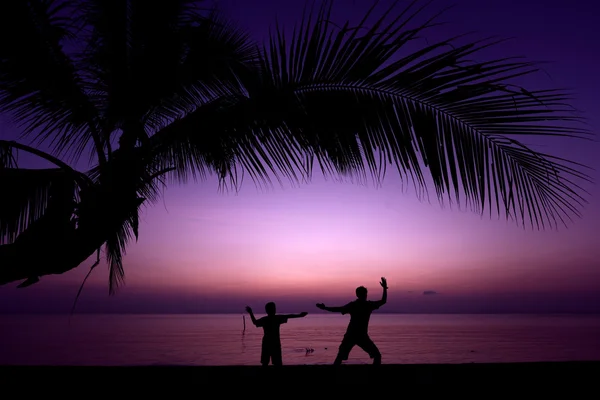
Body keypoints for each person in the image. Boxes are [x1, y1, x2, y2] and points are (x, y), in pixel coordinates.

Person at [316, 277, 388, 365]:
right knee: (376, 356)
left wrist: (325, 308)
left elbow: (338, 309)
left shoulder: (357, 305)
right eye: (365, 294)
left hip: (354, 335)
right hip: (357, 336)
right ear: (364, 294)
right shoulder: (367, 305)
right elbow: (383, 301)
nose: (365, 295)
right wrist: (384, 288)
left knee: (340, 357)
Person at [245, 302, 308, 366]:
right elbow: (289, 316)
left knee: (268, 362)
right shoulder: (276, 318)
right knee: (272, 362)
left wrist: (251, 313)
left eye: (274, 308)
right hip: (273, 343)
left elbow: (255, 322)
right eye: (273, 308)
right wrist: (300, 315)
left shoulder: (267, 319)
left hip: (268, 342)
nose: (274, 310)